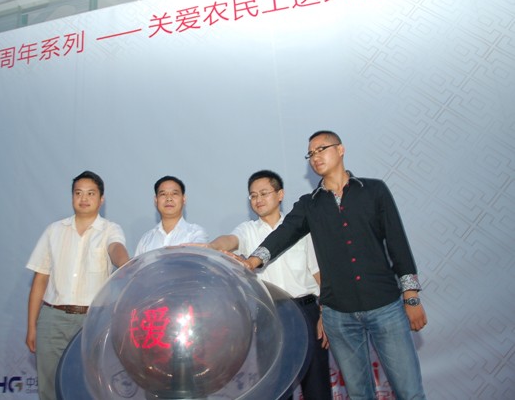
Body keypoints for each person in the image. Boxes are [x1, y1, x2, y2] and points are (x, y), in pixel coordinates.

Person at [243, 131, 427, 400]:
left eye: (321, 149)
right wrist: (252, 260)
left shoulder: (374, 190)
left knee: (409, 391)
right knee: (359, 394)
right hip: (339, 316)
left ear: (341, 150)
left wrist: (411, 296)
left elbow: (397, 243)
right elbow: (284, 233)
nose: (315, 157)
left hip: (385, 306)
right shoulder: (309, 204)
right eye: (310, 153)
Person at [201, 170, 332, 400]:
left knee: (317, 386)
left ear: (280, 195)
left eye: (264, 193)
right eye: (253, 196)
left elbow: (318, 274)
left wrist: (325, 312)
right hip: (271, 314)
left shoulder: (301, 227)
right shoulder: (248, 230)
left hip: (306, 311)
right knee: (276, 388)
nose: (258, 200)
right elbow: (230, 240)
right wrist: (212, 247)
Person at [25, 170, 130, 400]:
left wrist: (126, 263)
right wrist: (32, 326)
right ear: (72, 196)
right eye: (78, 193)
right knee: (49, 385)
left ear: (101, 199)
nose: (84, 198)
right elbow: (40, 280)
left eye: (91, 193)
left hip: (91, 321)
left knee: (89, 385)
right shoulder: (54, 231)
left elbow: (116, 248)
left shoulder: (110, 229)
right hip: (52, 318)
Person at [134, 175, 208, 256]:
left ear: (184, 199)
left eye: (174, 194)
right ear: (156, 200)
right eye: (163, 194)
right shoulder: (146, 240)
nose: (169, 198)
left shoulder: (195, 233)